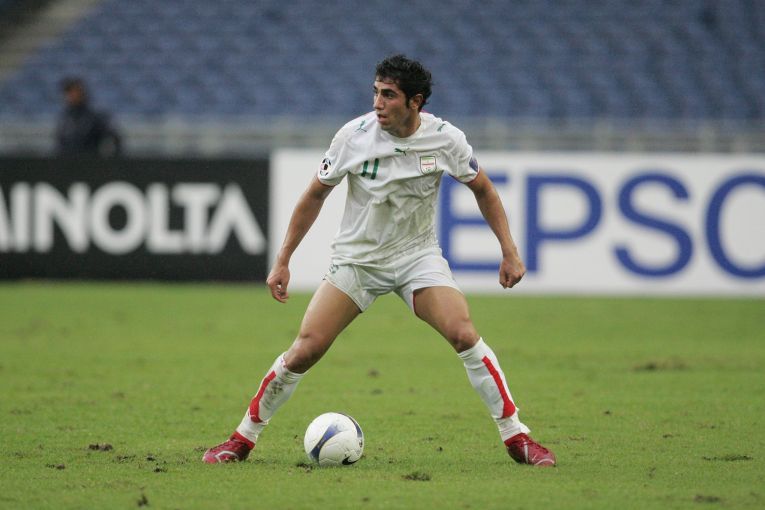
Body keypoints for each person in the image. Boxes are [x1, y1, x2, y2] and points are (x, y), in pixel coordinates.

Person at [203, 54, 556, 467]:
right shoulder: (353, 137)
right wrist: (283, 260)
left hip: (417, 257)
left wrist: (509, 251)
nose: (377, 103)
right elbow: (314, 195)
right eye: (375, 92)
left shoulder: (446, 139)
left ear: (415, 102)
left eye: (388, 95)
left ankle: (517, 437)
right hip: (358, 262)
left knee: (464, 333)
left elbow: (484, 190)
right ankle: (241, 439)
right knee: (305, 350)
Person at [55, 77, 121, 157]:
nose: (72, 96)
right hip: (67, 161)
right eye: (69, 92)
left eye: (75, 92)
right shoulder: (64, 118)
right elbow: (61, 144)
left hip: (90, 161)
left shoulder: (95, 117)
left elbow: (113, 138)